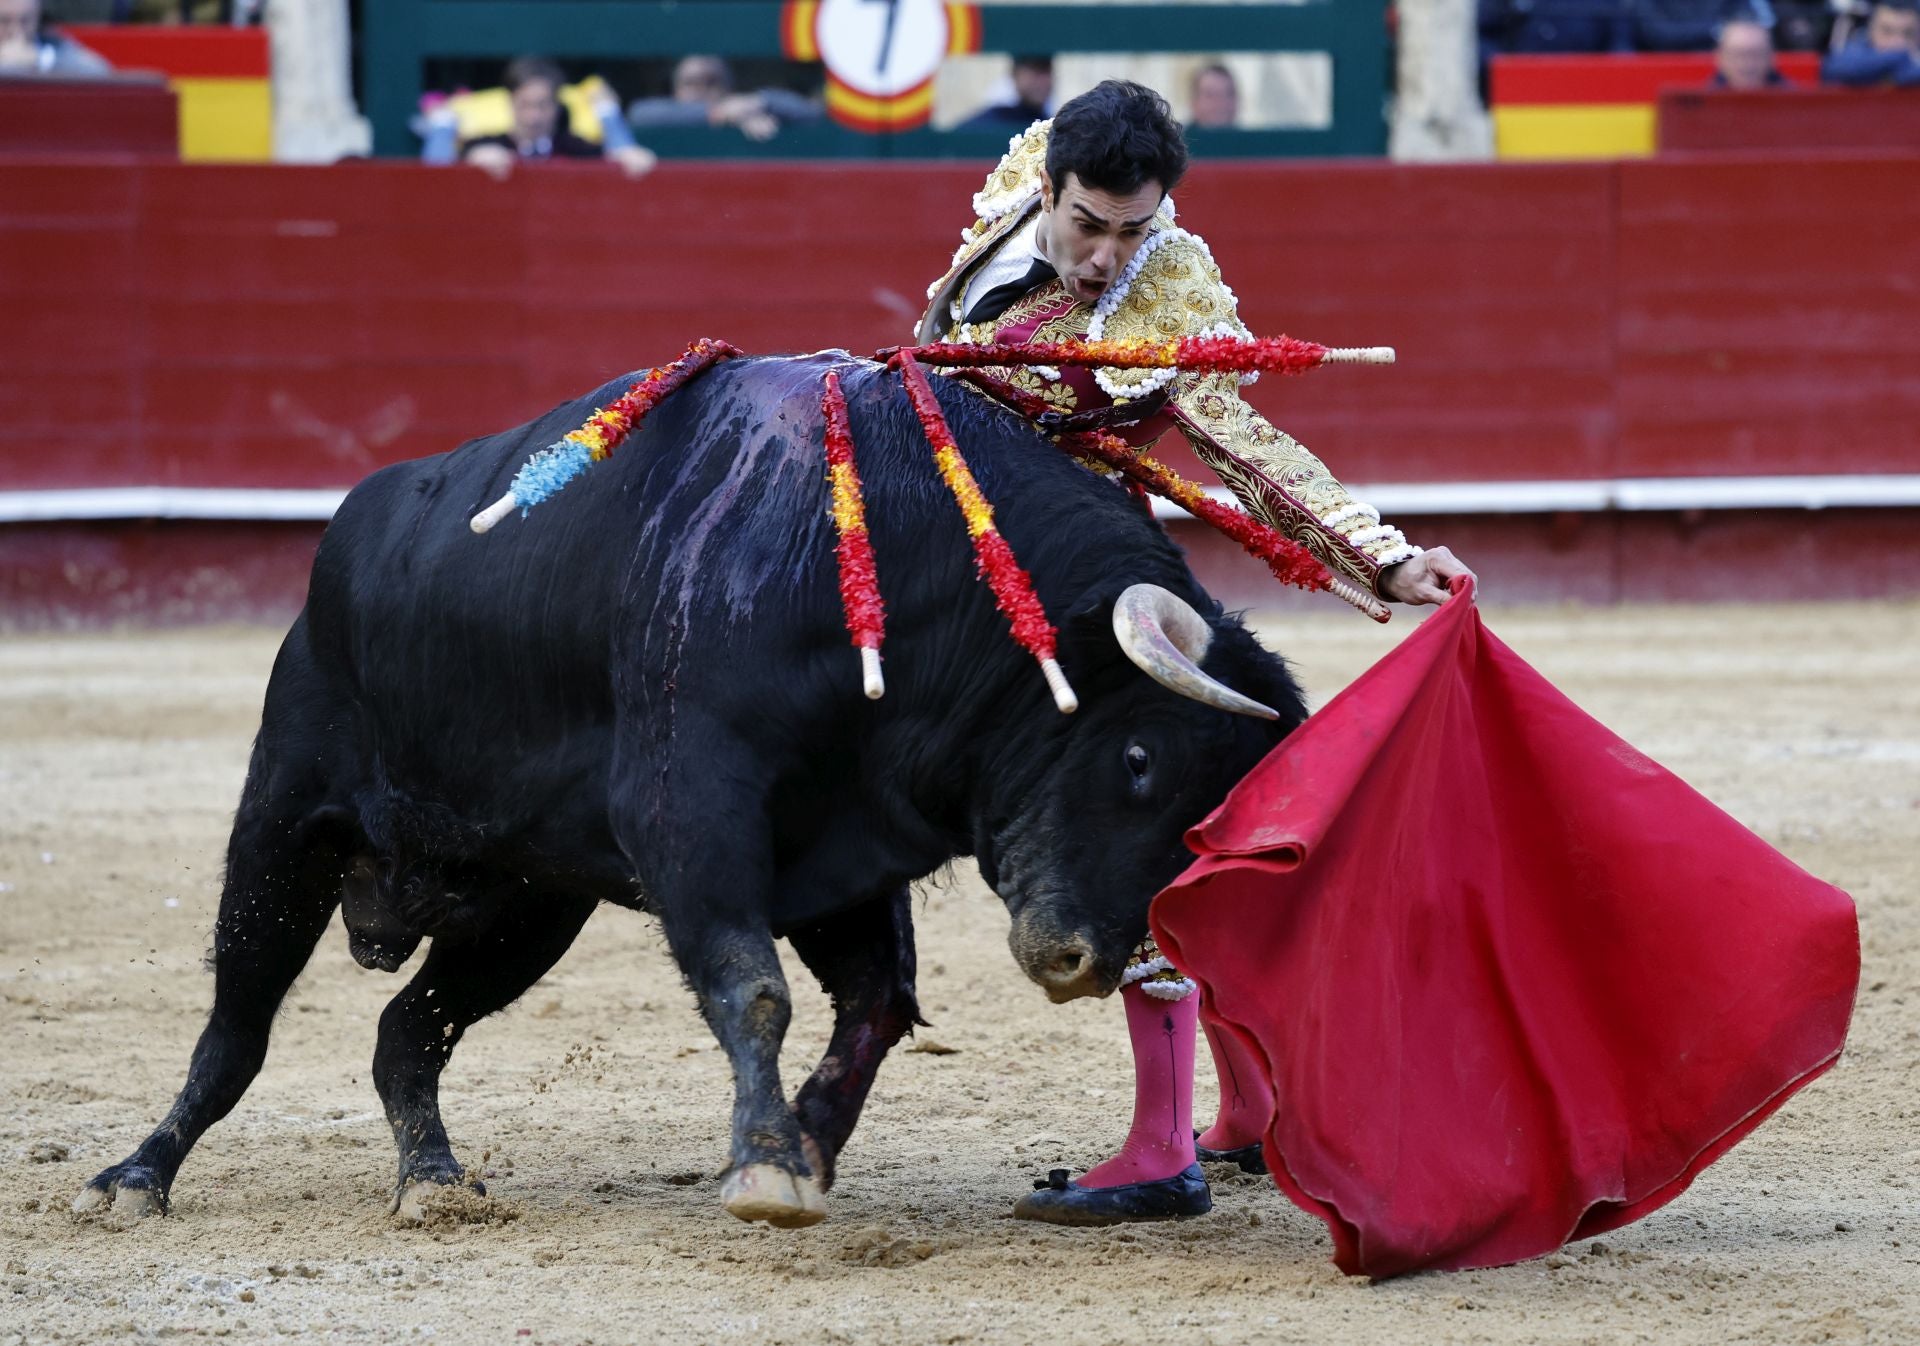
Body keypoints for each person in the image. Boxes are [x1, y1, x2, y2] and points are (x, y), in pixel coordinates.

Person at [913, 80, 1474, 1224]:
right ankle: (1256, 1105)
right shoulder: (1026, 164)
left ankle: (1163, 1146)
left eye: (1133, 229)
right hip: (978, 568)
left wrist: (1383, 558)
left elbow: (1253, 448)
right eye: (1087, 225)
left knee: (1128, 836)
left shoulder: (1174, 289)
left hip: (1097, 599)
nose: (1106, 255)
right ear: (1050, 186)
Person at [460, 56, 656, 178]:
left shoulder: (578, 149)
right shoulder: (486, 145)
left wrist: (628, 156)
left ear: (557, 106)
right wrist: (475, 158)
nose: (533, 117)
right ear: (510, 103)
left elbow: (618, 159)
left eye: (542, 105)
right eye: (525, 105)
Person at [626, 54, 821, 143]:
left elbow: (812, 113)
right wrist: (720, 114)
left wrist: (755, 102)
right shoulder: (659, 113)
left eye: (712, 82)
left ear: (729, 87)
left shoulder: (746, 112)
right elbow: (639, 113)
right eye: (691, 83)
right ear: (675, 89)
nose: (701, 91)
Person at [1822, 0, 1920, 84]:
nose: (1897, 42)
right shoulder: (1853, 52)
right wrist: (1901, 57)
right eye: (1887, 31)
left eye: (1908, 33)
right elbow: (1833, 68)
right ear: (1870, 31)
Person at [0, 0, 108, 74]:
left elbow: (100, 71)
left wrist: (39, 63)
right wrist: (8, 66)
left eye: (25, 21)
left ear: (37, 16)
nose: (16, 31)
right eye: (4, 21)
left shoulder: (53, 47)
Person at [954, 54, 1055, 131]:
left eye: (1047, 71)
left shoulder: (1050, 125)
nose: (1043, 81)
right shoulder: (992, 120)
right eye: (1036, 71)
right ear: (1015, 74)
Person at [1711, 14, 1789, 86]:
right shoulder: (1702, 99)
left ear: (1771, 57)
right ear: (1720, 57)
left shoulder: (1793, 98)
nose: (1747, 64)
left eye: (1756, 55)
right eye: (1738, 55)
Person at [1187, 63, 1239, 128]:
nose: (1221, 103)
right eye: (1210, 95)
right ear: (1194, 103)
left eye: (1228, 94)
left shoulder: (1246, 137)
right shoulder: (1180, 136)